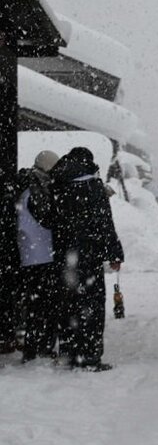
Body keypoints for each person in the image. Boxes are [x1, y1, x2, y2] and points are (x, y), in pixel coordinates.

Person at [50, 147, 124, 371]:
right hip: (89, 256)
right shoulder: (93, 186)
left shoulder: (58, 184)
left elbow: (50, 220)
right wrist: (114, 253)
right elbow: (105, 223)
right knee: (91, 305)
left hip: (64, 257)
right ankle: (90, 356)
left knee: (68, 305)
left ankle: (69, 353)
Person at [15, 151, 60, 363]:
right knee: (46, 305)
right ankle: (40, 348)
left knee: (34, 305)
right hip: (42, 254)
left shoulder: (26, 187)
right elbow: (47, 218)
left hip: (29, 253)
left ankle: (33, 348)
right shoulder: (38, 189)